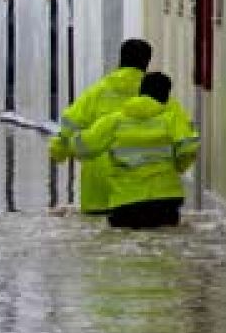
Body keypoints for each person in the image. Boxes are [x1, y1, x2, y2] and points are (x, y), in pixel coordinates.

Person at [72, 71, 199, 229]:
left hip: (126, 201)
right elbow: (189, 148)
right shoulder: (172, 120)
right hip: (166, 199)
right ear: (166, 97)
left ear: (140, 93)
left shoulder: (114, 121)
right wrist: (179, 166)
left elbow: (82, 148)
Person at [48, 38, 151, 214]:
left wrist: (58, 153)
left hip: (97, 186)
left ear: (120, 60)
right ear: (147, 63)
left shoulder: (97, 92)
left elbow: (69, 125)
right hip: (140, 187)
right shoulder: (157, 97)